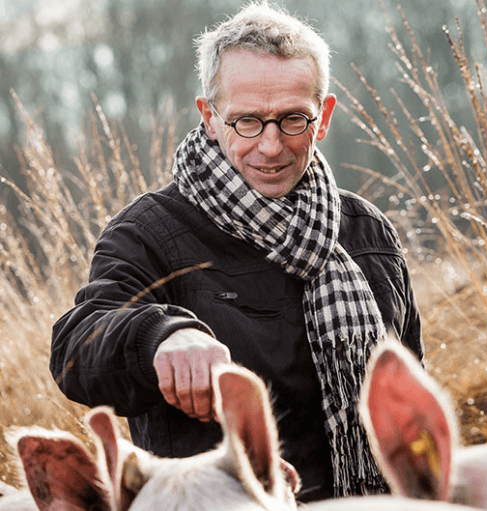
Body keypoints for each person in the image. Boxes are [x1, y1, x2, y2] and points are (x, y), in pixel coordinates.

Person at [49, 1, 422, 502]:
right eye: (247, 121)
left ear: (324, 116)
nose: (270, 146)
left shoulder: (368, 235)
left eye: (293, 120)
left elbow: (411, 394)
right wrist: (159, 337)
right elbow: (75, 348)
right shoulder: (149, 232)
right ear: (209, 117)